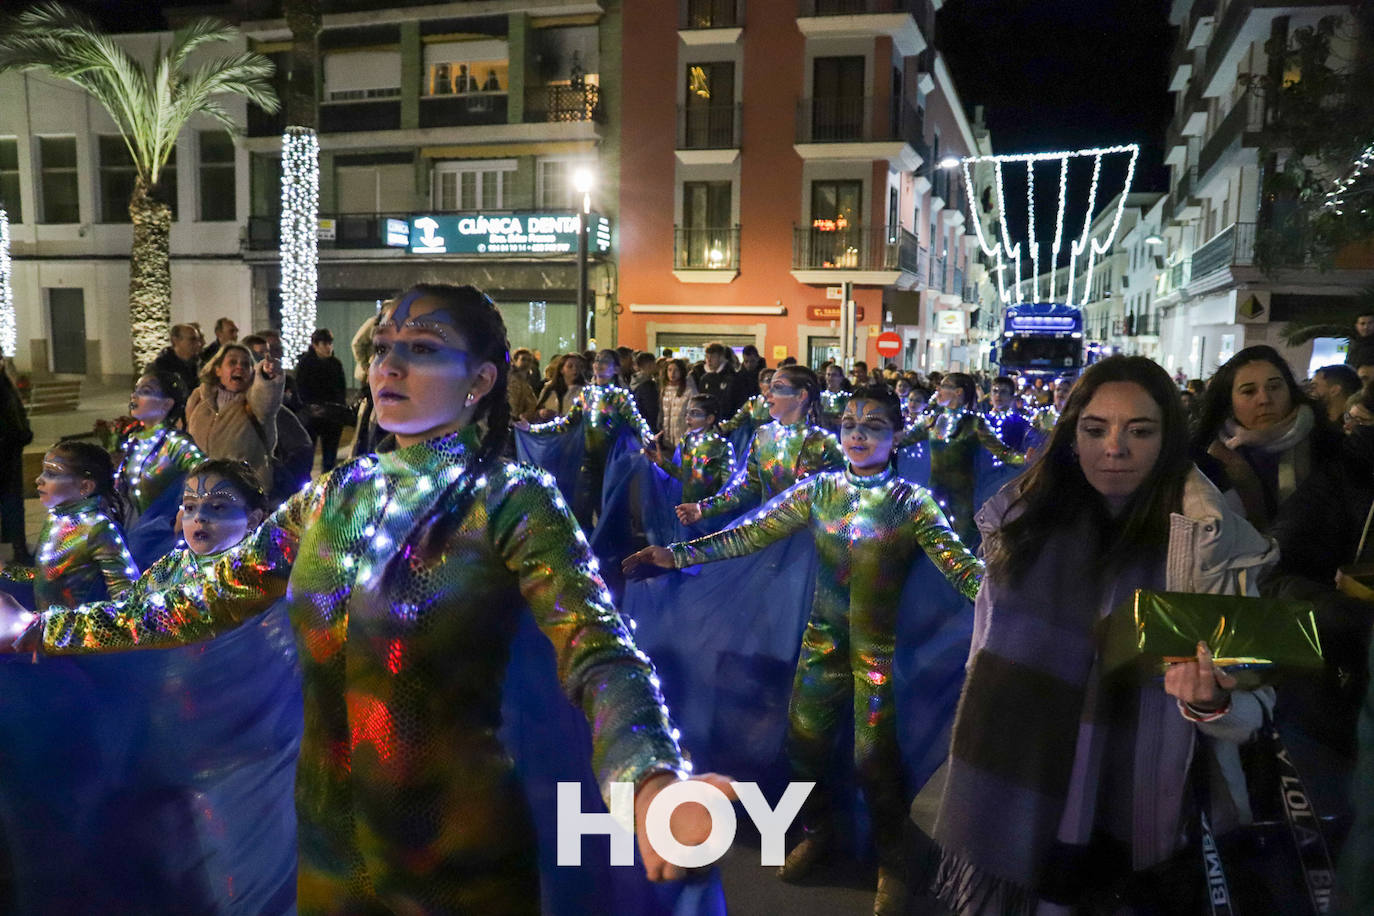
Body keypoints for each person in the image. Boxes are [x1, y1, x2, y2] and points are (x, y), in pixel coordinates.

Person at [18, 284, 728, 913]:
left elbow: (600, 651)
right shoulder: (335, 496)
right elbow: (205, 599)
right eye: (384, 346)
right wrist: (42, 629)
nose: (387, 364)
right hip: (329, 857)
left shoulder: (511, 501)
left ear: (481, 379)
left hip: (456, 863)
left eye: (421, 349)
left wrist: (647, 778)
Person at [930, 356, 1279, 914]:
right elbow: (982, 662)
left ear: (1168, 439)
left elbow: (1257, 703)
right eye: (1095, 429)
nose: (1114, 448)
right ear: (1072, 436)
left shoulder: (1212, 543)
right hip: (1018, 799)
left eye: (1139, 431)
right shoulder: (1019, 526)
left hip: (1148, 816)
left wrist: (1211, 702)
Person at [626, 386, 983, 915]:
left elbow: (960, 569)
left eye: (875, 426)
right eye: (851, 424)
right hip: (823, 646)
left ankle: (893, 861)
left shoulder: (913, 503)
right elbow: (746, 534)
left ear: (898, 436)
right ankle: (819, 831)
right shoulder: (819, 492)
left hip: (877, 656)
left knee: (874, 759)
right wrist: (675, 555)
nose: (858, 434)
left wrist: (1014, 602)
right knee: (804, 747)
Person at [1192, 345, 1340, 532]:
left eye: (1274, 387)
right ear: (1229, 401)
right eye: (1248, 391)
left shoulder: (1329, 446)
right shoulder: (1205, 458)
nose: (1264, 399)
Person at [677, 365, 842, 526]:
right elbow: (749, 486)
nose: (767, 393)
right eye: (768, 387)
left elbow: (842, 500)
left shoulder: (823, 442)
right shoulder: (763, 435)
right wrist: (703, 508)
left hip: (810, 540)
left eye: (777, 387)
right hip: (767, 533)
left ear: (801, 395)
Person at [518, 348, 656, 528]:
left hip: (612, 464)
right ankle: (585, 550)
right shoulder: (587, 394)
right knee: (581, 508)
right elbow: (565, 423)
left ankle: (610, 551)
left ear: (615, 369)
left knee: (608, 512)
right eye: (597, 360)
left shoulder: (620, 397)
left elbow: (637, 421)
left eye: (605, 361)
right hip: (588, 461)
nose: (599, 364)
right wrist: (532, 429)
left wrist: (648, 436)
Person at [0, 441, 137, 609]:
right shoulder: (56, 520)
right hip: (49, 625)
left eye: (52, 473)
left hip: (76, 631)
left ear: (85, 486)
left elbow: (125, 593)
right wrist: (6, 572)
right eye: (44, 471)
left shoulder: (97, 528)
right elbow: (48, 576)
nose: (39, 479)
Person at [899, 372, 1026, 547]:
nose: (938, 390)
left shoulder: (975, 423)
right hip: (934, 496)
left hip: (962, 503)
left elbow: (1003, 453)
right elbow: (903, 442)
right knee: (930, 547)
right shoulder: (932, 420)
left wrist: (1026, 459)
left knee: (960, 549)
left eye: (943, 386)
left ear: (958, 392)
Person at [106, 370, 205, 566]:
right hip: (132, 530)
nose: (135, 396)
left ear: (166, 404)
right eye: (135, 391)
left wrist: (186, 509)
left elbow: (204, 474)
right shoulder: (134, 440)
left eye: (146, 391)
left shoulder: (176, 443)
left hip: (162, 539)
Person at [186, 344, 287, 495]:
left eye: (245, 364)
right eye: (232, 362)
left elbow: (267, 399)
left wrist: (267, 376)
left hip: (245, 491)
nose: (239, 367)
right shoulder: (200, 402)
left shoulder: (254, 404)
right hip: (202, 492)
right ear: (217, 369)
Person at [645, 394, 735, 506]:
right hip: (686, 509)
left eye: (695, 413)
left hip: (710, 513)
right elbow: (685, 476)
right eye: (687, 413)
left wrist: (708, 508)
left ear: (710, 419)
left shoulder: (722, 446)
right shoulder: (686, 441)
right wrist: (663, 463)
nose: (688, 418)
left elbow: (729, 486)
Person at [295, 329, 349, 473]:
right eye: (324, 344)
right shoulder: (305, 364)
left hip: (332, 417)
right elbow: (301, 389)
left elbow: (341, 389)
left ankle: (326, 487)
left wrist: (339, 409)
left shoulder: (335, 364)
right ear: (315, 345)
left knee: (330, 458)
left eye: (330, 343)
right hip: (312, 415)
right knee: (307, 456)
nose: (328, 347)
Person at [0, 361, 33, 564]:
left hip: (9, 452)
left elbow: (16, 415)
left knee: (12, 502)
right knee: (11, 501)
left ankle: (17, 546)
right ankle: (17, 548)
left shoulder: (5, 384)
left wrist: (23, 433)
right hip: (6, 452)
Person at [152, 324, 203, 399]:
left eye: (198, 339)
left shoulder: (199, 364)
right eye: (192, 339)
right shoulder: (162, 367)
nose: (198, 344)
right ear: (176, 340)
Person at [535, 353, 586, 420]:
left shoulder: (585, 390)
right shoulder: (549, 388)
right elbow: (537, 409)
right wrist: (541, 412)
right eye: (570, 366)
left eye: (578, 366)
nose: (575, 369)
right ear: (562, 370)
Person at [697, 342, 739, 419]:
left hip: (726, 422)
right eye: (707, 357)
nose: (709, 360)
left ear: (721, 357)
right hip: (708, 422)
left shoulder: (732, 377)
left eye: (713, 357)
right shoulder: (704, 378)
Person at [658, 358, 696, 444]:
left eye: (676, 370)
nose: (672, 373)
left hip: (683, 436)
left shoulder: (689, 390)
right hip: (667, 437)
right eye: (670, 370)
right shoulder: (664, 390)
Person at [631, 352, 661, 432]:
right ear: (649, 365)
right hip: (648, 426)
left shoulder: (634, 380)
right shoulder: (648, 385)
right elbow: (651, 409)